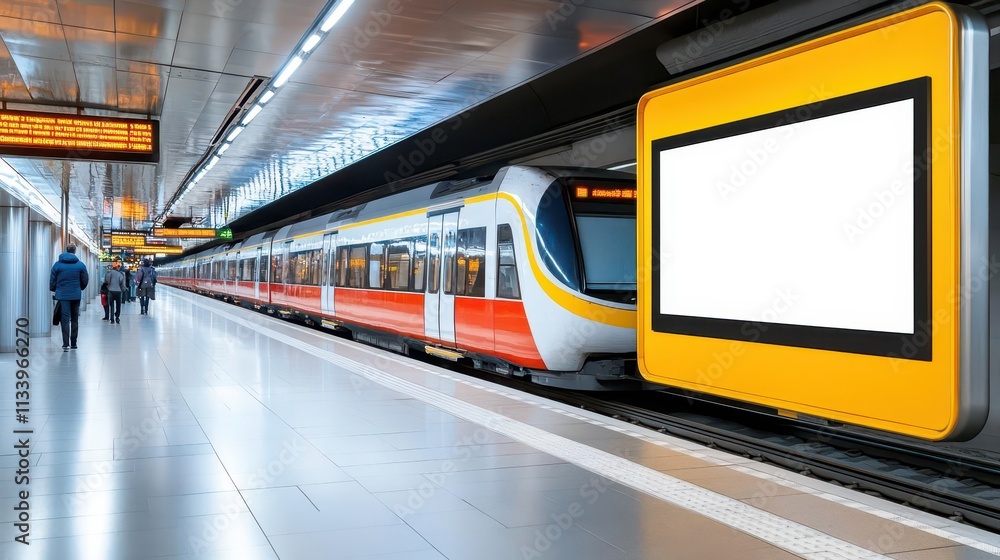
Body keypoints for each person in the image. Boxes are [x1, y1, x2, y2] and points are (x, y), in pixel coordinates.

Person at [49, 244, 89, 351]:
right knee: (75, 319)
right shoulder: (80, 265)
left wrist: (54, 289)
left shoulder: (57, 265)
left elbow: (52, 279)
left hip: (62, 295)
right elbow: (85, 279)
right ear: (75, 251)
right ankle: (74, 343)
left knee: (65, 319)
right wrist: (80, 288)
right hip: (76, 295)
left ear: (66, 250)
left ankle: (65, 344)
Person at [104, 259, 126, 324]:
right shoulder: (120, 274)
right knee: (118, 305)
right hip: (118, 291)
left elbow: (106, 281)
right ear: (118, 267)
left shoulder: (109, 273)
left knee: (111, 305)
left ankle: (112, 319)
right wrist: (123, 290)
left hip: (110, 291)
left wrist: (108, 286)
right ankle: (117, 317)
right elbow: (122, 283)